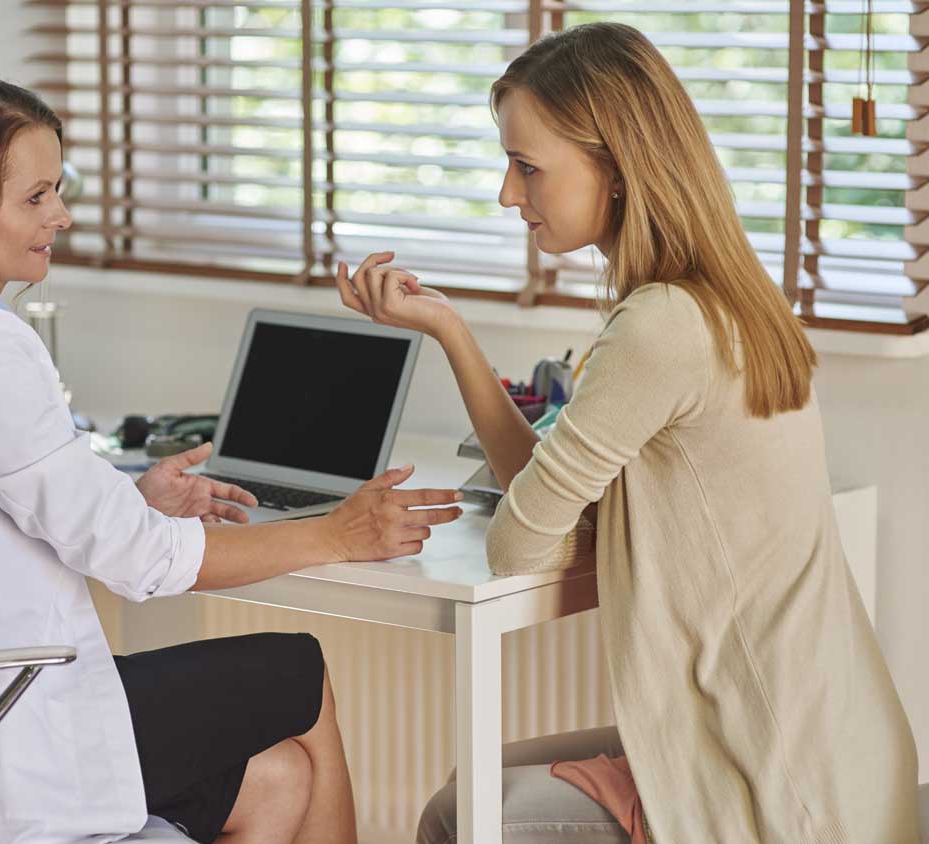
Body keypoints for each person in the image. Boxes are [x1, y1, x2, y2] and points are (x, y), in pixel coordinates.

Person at [0, 72, 464, 844]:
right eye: (36, 197)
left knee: (279, 779)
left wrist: (135, 502)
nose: (60, 215)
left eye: (57, 190)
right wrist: (337, 534)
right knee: (299, 671)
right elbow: (141, 562)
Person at [336, 22, 921, 844]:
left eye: (528, 167)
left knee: (460, 815)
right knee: (472, 785)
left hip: (772, 780)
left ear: (614, 167)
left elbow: (519, 545)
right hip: (830, 743)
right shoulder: (723, 297)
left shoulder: (659, 327)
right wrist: (450, 331)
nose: (507, 194)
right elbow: (549, 501)